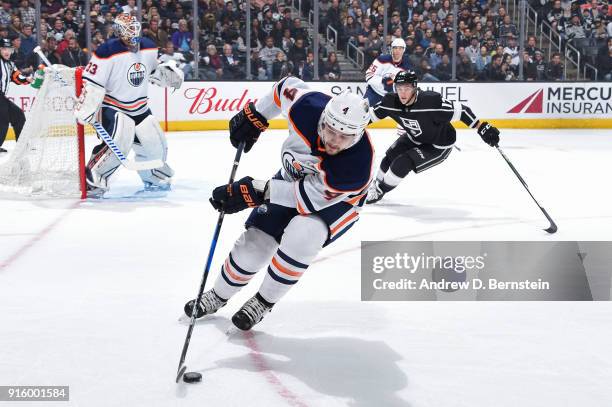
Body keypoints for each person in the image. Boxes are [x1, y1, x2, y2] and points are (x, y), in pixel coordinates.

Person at [184, 77, 374, 331]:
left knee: (303, 234)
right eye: (331, 130)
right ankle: (218, 295)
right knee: (254, 245)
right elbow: (285, 86)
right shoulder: (306, 106)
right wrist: (256, 114)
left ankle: (263, 301)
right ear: (323, 119)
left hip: (335, 205)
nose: (335, 141)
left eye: (345, 136)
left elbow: (302, 197)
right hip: (290, 180)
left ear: (358, 134)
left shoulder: (356, 165)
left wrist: (255, 190)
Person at [74, 13, 183, 197]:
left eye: (135, 27)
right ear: (119, 31)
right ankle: (93, 178)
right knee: (119, 141)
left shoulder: (148, 46)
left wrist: (163, 74)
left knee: (155, 144)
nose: (133, 32)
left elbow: (151, 70)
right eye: (128, 29)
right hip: (113, 106)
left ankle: (153, 176)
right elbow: (93, 82)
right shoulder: (106, 51)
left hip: (139, 106)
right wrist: (88, 105)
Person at [366, 70, 500, 204]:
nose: (402, 93)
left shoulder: (431, 102)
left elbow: (462, 111)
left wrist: (482, 127)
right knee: (390, 156)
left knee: (402, 162)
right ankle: (375, 187)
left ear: (414, 87)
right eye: (399, 88)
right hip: (415, 137)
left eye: (407, 88)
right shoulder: (390, 102)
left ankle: (380, 190)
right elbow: (368, 117)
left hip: (438, 146)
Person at [0, 37, 32, 153]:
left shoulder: (10, 64)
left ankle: (22, 145)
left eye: (9, 49)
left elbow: (17, 78)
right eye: (3, 48)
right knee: (3, 120)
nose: (7, 51)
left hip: (1, 96)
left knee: (18, 116)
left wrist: (30, 79)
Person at [363, 37, 410, 106]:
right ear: (391, 49)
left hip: (390, 97)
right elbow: (368, 76)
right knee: (363, 112)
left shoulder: (406, 65)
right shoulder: (382, 59)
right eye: (395, 48)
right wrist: (383, 81)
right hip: (373, 93)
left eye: (400, 48)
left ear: (404, 50)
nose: (397, 51)